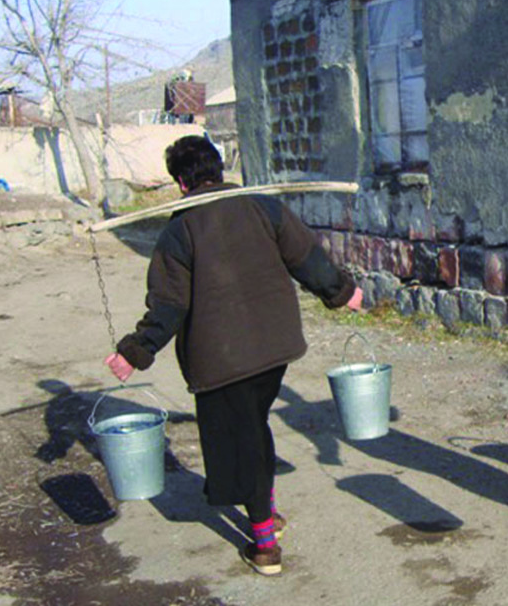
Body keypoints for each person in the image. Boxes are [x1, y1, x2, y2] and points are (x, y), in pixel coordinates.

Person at [103, 135, 363, 576]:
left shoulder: (178, 231)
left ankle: (264, 544)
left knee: (240, 443)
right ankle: (269, 513)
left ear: (181, 182)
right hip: (274, 349)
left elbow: (167, 306)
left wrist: (135, 352)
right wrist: (342, 292)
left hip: (223, 360)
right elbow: (308, 258)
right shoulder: (263, 207)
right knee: (252, 427)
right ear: (217, 170)